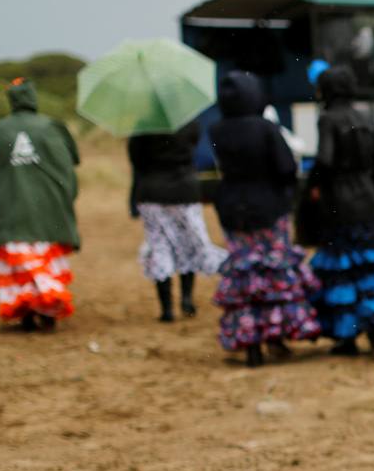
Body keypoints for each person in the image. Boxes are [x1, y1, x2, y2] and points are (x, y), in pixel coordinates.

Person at [208, 71, 320, 367]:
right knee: (272, 273)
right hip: (268, 207)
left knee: (245, 274)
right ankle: (274, 336)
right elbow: (285, 167)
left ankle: (251, 344)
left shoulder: (217, 130)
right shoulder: (266, 128)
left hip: (232, 208)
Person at [304, 66, 374, 355]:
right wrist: (366, 184)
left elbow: (325, 160)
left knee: (342, 270)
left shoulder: (327, 119)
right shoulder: (365, 117)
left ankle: (347, 337)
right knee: (370, 268)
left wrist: (313, 186)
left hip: (338, 204)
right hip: (368, 202)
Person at [0, 78, 80, 330]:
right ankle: (47, 311)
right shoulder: (51, 126)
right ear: (33, 98)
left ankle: (26, 312)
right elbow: (70, 163)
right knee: (43, 257)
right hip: (48, 209)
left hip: (10, 210)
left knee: (19, 258)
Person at [128, 121, 226, 321]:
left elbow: (136, 159)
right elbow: (194, 146)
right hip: (185, 189)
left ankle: (166, 309)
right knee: (187, 243)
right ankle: (187, 299)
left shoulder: (143, 126)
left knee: (159, 246)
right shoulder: (188, 122)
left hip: (152, 191)